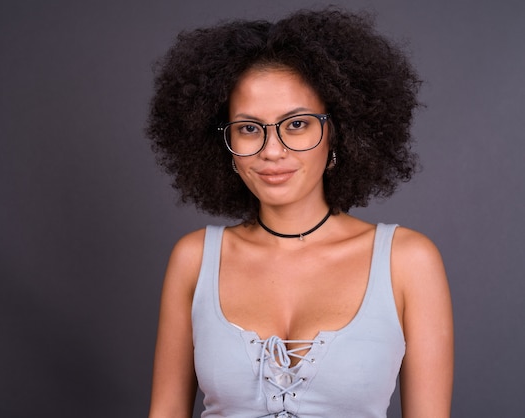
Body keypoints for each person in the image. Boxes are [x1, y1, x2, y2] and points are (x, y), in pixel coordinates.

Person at [146, 7, 453, 418]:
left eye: (296, 124)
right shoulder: (194, 259)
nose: (272, 151)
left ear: (337, 132)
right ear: (225, 145)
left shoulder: (408, 261)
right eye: (249, 128)